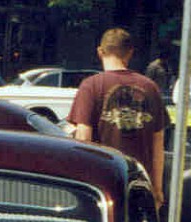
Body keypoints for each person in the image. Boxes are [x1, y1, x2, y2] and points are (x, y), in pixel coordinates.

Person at [68, 28, 169, 205]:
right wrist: (157, 189)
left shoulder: (91, 86)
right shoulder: (150, 87)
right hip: (139, 185)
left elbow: (84, 138)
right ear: (130, 53)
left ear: (100, 51)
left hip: (102, 184)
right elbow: (158, 143)